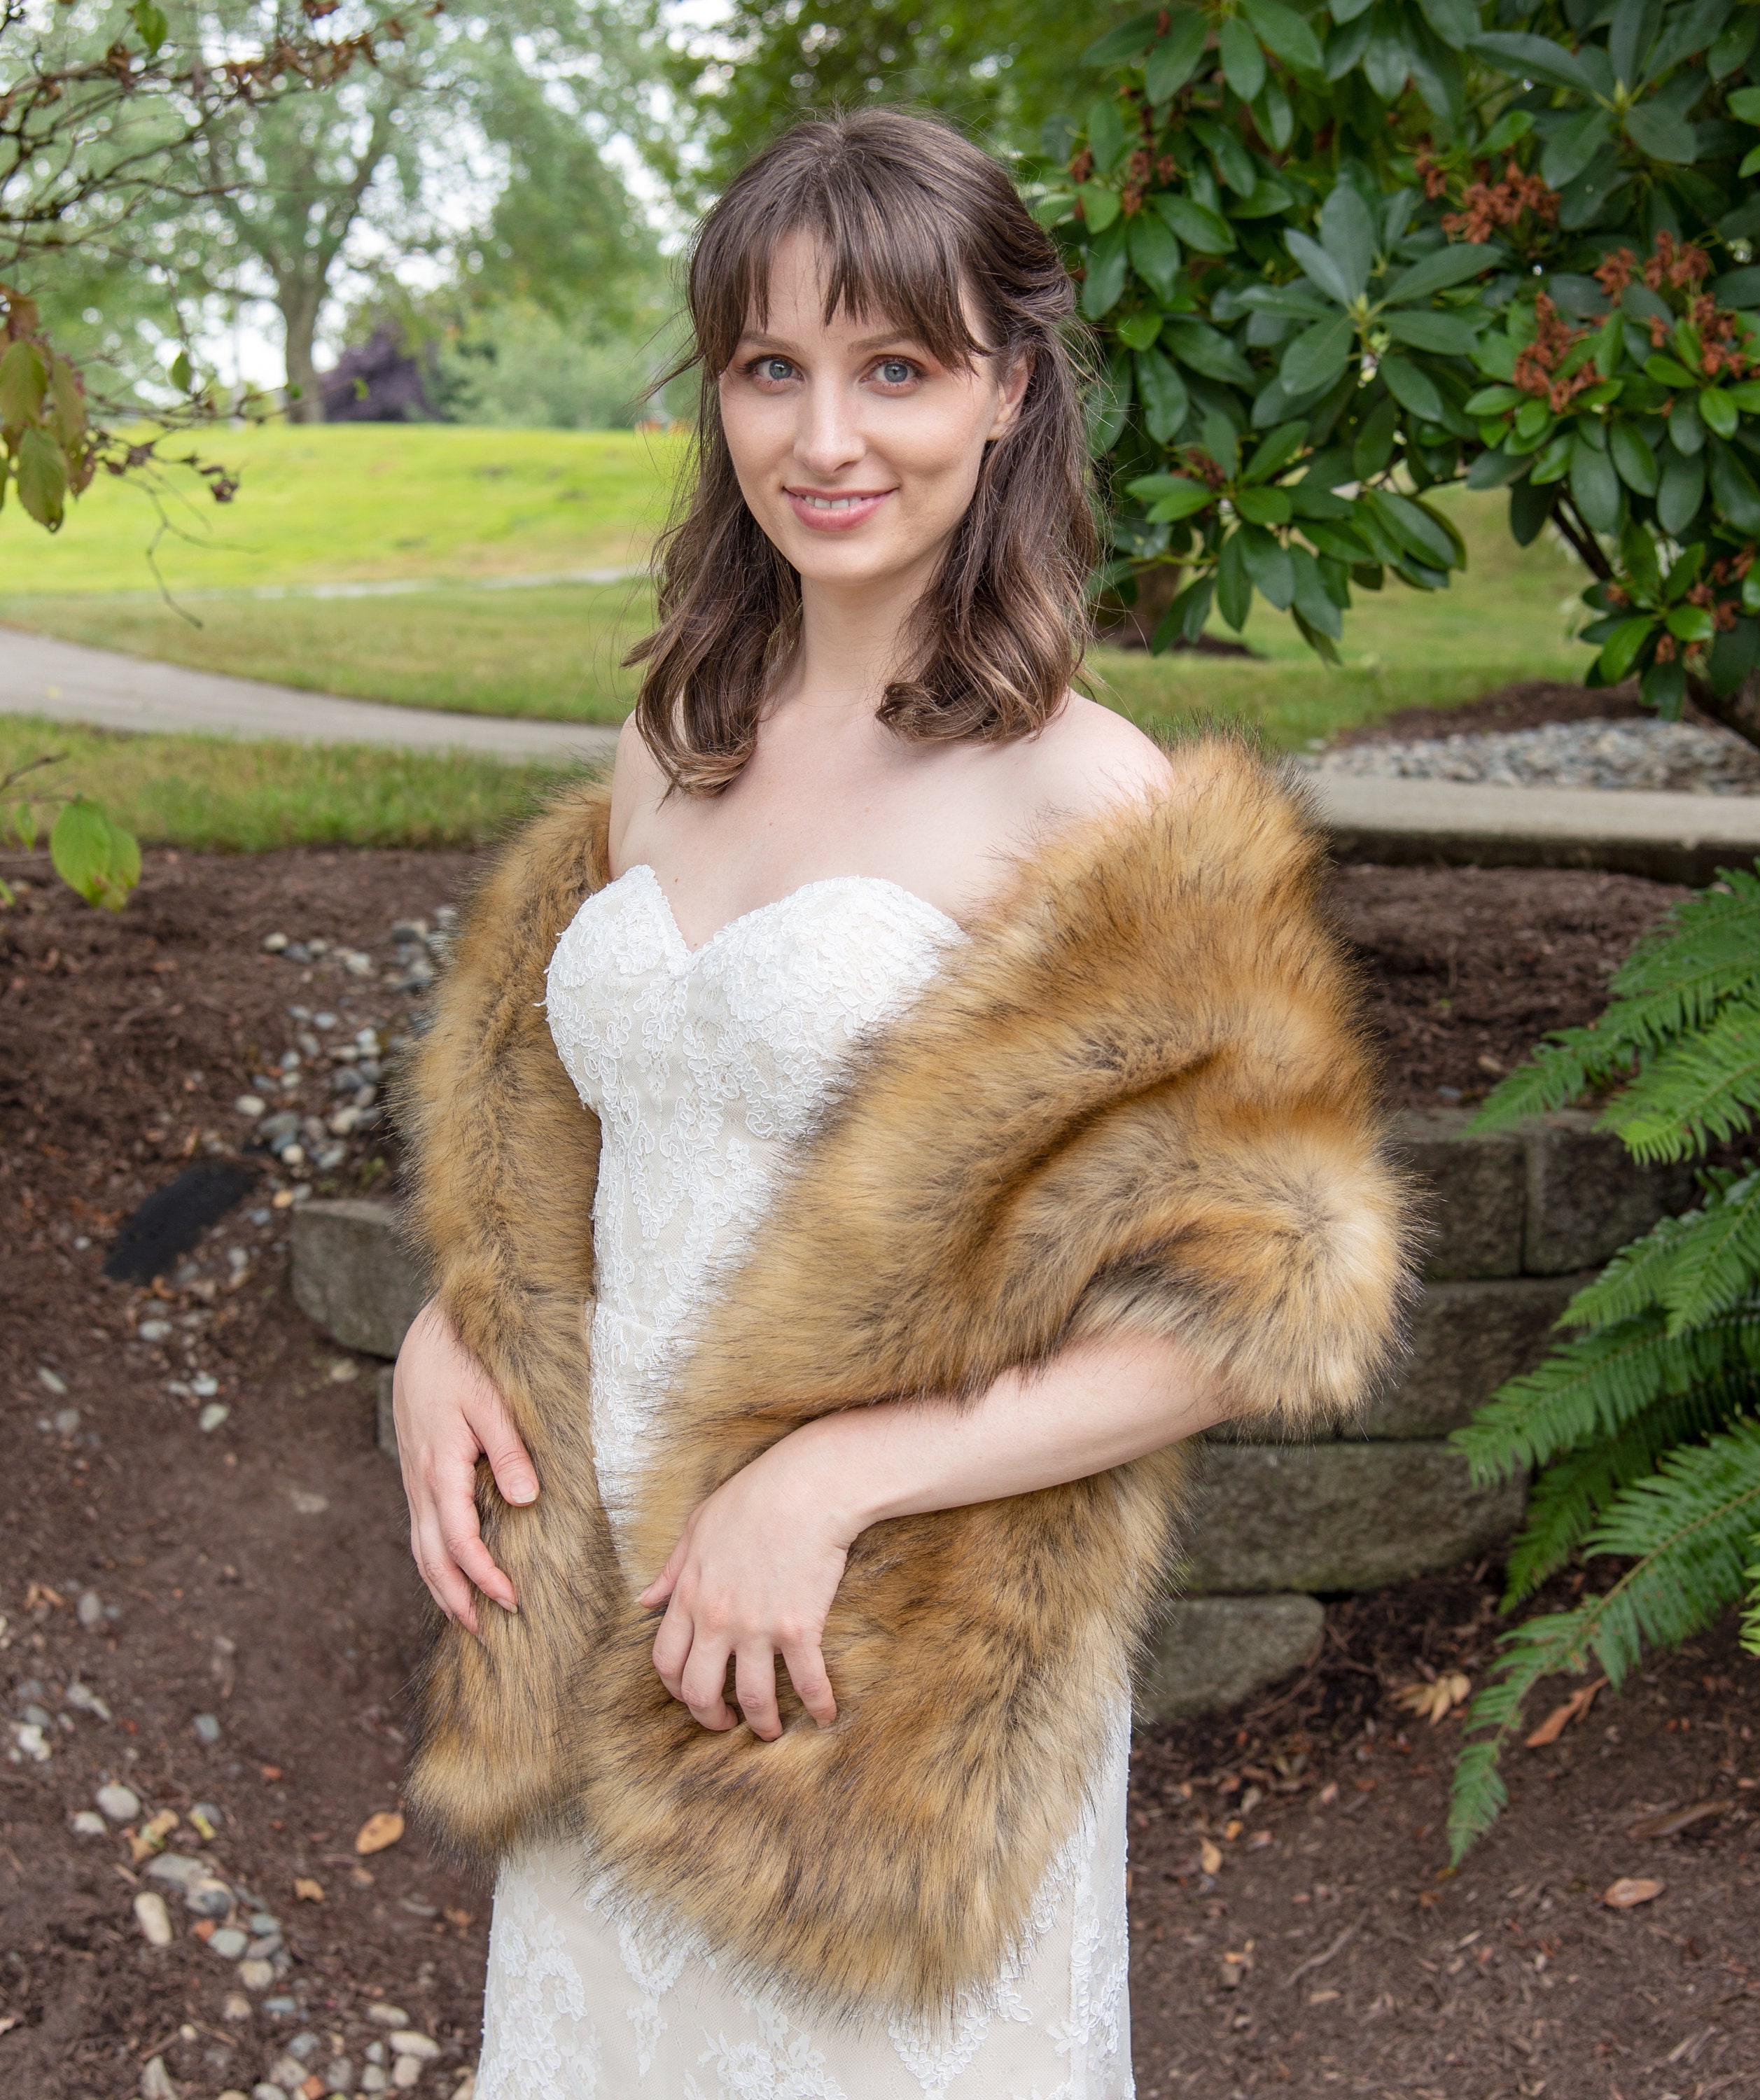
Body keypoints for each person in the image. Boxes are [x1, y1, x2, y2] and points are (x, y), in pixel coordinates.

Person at [391, 109, 1408, 2099]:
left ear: (1009, 387)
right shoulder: (664, 745)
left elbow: (1251, 1300)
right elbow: (610, 1133)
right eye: (771, 369)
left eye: (896, 369)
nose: (824, 440)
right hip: (616, 1622)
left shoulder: (1086, 797)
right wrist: (454, 1320)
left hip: (875, 1673)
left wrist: (823, 1485)